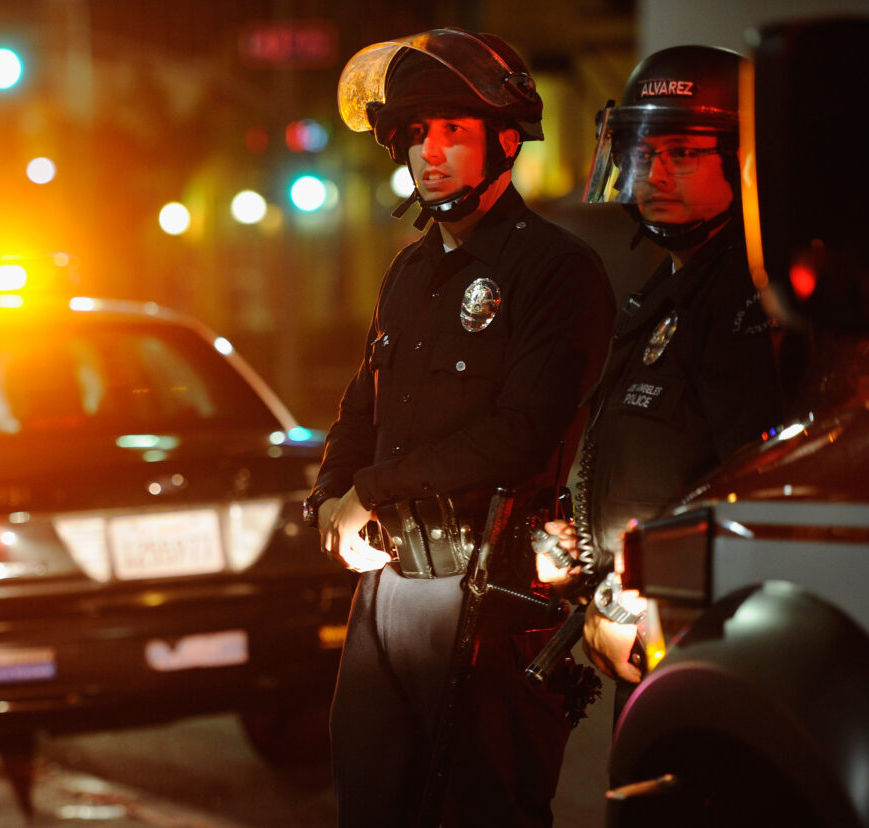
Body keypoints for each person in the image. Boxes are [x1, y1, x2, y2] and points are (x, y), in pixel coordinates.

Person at [303, 28, 614, 827]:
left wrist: (369, 490)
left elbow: (520, 433)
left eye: (453, 132)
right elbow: (360, 410)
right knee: (371, 798)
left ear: (505, 141)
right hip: (386, 583)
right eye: (415, 136)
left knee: (485, 807)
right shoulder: (408, 271)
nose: (429, 154)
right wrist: (333, 496)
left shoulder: (556, 269)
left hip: (489, 591)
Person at [538, 45, 786, 705]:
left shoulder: (747, 301)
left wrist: (638, 597)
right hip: (647, 623)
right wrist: (578, 530)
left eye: (682, 152)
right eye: (643, 154)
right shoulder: (664, 294)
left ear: (742, 162)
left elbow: (750, 478)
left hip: (701, 633)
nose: (654, 173)